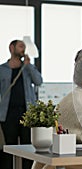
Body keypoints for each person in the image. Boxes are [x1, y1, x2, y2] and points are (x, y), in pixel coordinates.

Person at [0, 39, 43, 169]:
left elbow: (39, 81)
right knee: (8, 147)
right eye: (20, 46)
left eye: (24, 47)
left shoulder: (27, 68)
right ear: (11, 48)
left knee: (28, 147)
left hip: (27, 113)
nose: (23, 49)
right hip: (8, 114)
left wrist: (29, 65)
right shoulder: (2, 69)